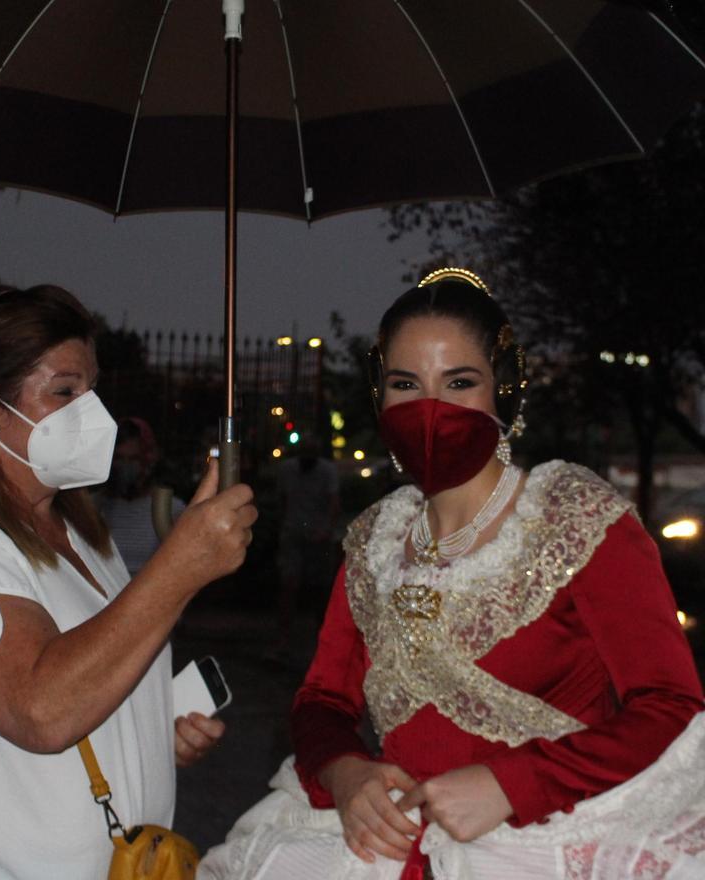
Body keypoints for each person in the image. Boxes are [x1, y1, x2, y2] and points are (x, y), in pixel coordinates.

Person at [198, 268, 705, 880]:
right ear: (378, 398)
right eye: (405, 384)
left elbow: (669, 702)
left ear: (504, 392)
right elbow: (322, 700)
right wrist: (344, 771)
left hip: (545, 842)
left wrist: (513, 785)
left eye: (459, 382)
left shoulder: (578, 520)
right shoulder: (374, 542)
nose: (430, 408)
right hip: (383, 847)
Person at [0, 285, 257, 880]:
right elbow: (39, 707)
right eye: (63, 391)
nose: (90, 412)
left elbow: (92, 670)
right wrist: (180, 568)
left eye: (91, 389)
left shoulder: (81, 532)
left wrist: (148, 734)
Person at [274, 437, 340, 652]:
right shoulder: (287, 470)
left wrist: (326, 530)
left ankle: (321, 637)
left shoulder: (327, 471)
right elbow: (282, 500)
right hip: (294, 532)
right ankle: (284, 638)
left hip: (317, 534)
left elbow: (333, 502)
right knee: (289, 585)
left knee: (320, 589)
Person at [100, 416, 186, 577]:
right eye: (120, 458)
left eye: (133, 459)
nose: (126, 466)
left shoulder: (170, 510)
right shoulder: (97, 508)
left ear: (149, 459)